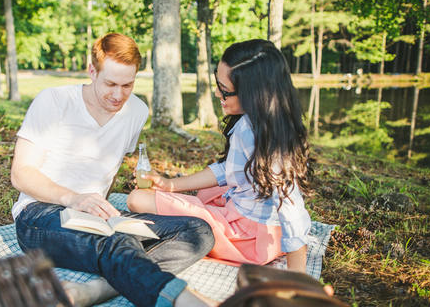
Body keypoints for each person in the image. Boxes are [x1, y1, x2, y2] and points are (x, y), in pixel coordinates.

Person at [11, 33, 222, 307]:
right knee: (115, 242)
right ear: (92, 71)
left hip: (97, 216)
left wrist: (105, 212)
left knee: (197, 230)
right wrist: (74, 198)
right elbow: (21, 174)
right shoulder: (54, 101)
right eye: (110, 84)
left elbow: (107, 170)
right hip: (41, 214)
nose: (118, 95)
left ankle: (99, 289)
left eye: (127, 85)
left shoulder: (137, 110)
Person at [127, 39, 312, 273]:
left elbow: (291, 206)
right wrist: (170, 185)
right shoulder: (263, 121)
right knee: (206, 191)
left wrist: (299, 280)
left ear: (254, 93)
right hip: (251, 220)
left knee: (136, 199)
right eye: (217, 82)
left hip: (249, 240)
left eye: (224, 90)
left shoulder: (257, 135)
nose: (216, 93)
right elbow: (229, 170)